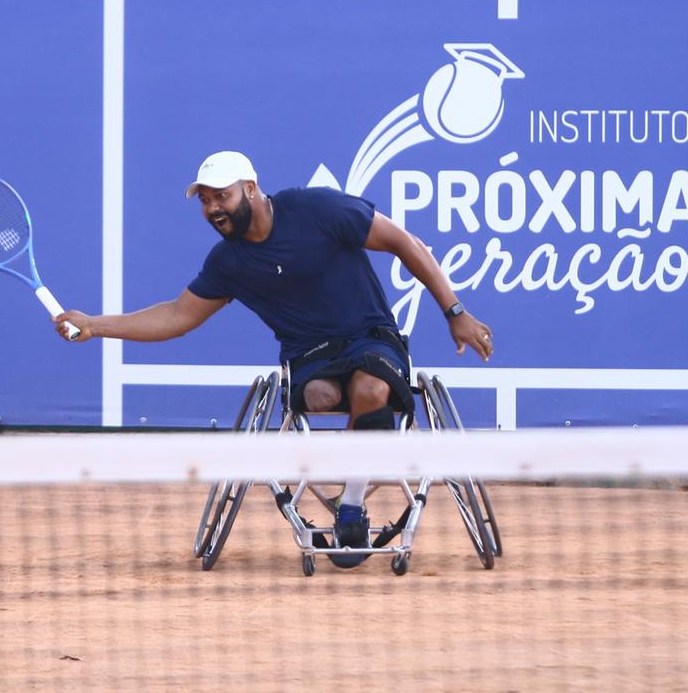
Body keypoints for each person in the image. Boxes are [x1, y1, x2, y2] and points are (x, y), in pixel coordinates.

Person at [54, 150, 493, 567]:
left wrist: (454, 312)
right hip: (310, 356)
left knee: (371, 389)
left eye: (220, 196)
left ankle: (352, 506)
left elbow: (403, 241)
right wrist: (95, 325)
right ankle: (354, 475)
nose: (212, 209)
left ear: (250, 188)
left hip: (370, 338)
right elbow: (176, 316)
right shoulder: (228, 262)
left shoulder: (317, 209)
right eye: (204, 201)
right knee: (319, 397)